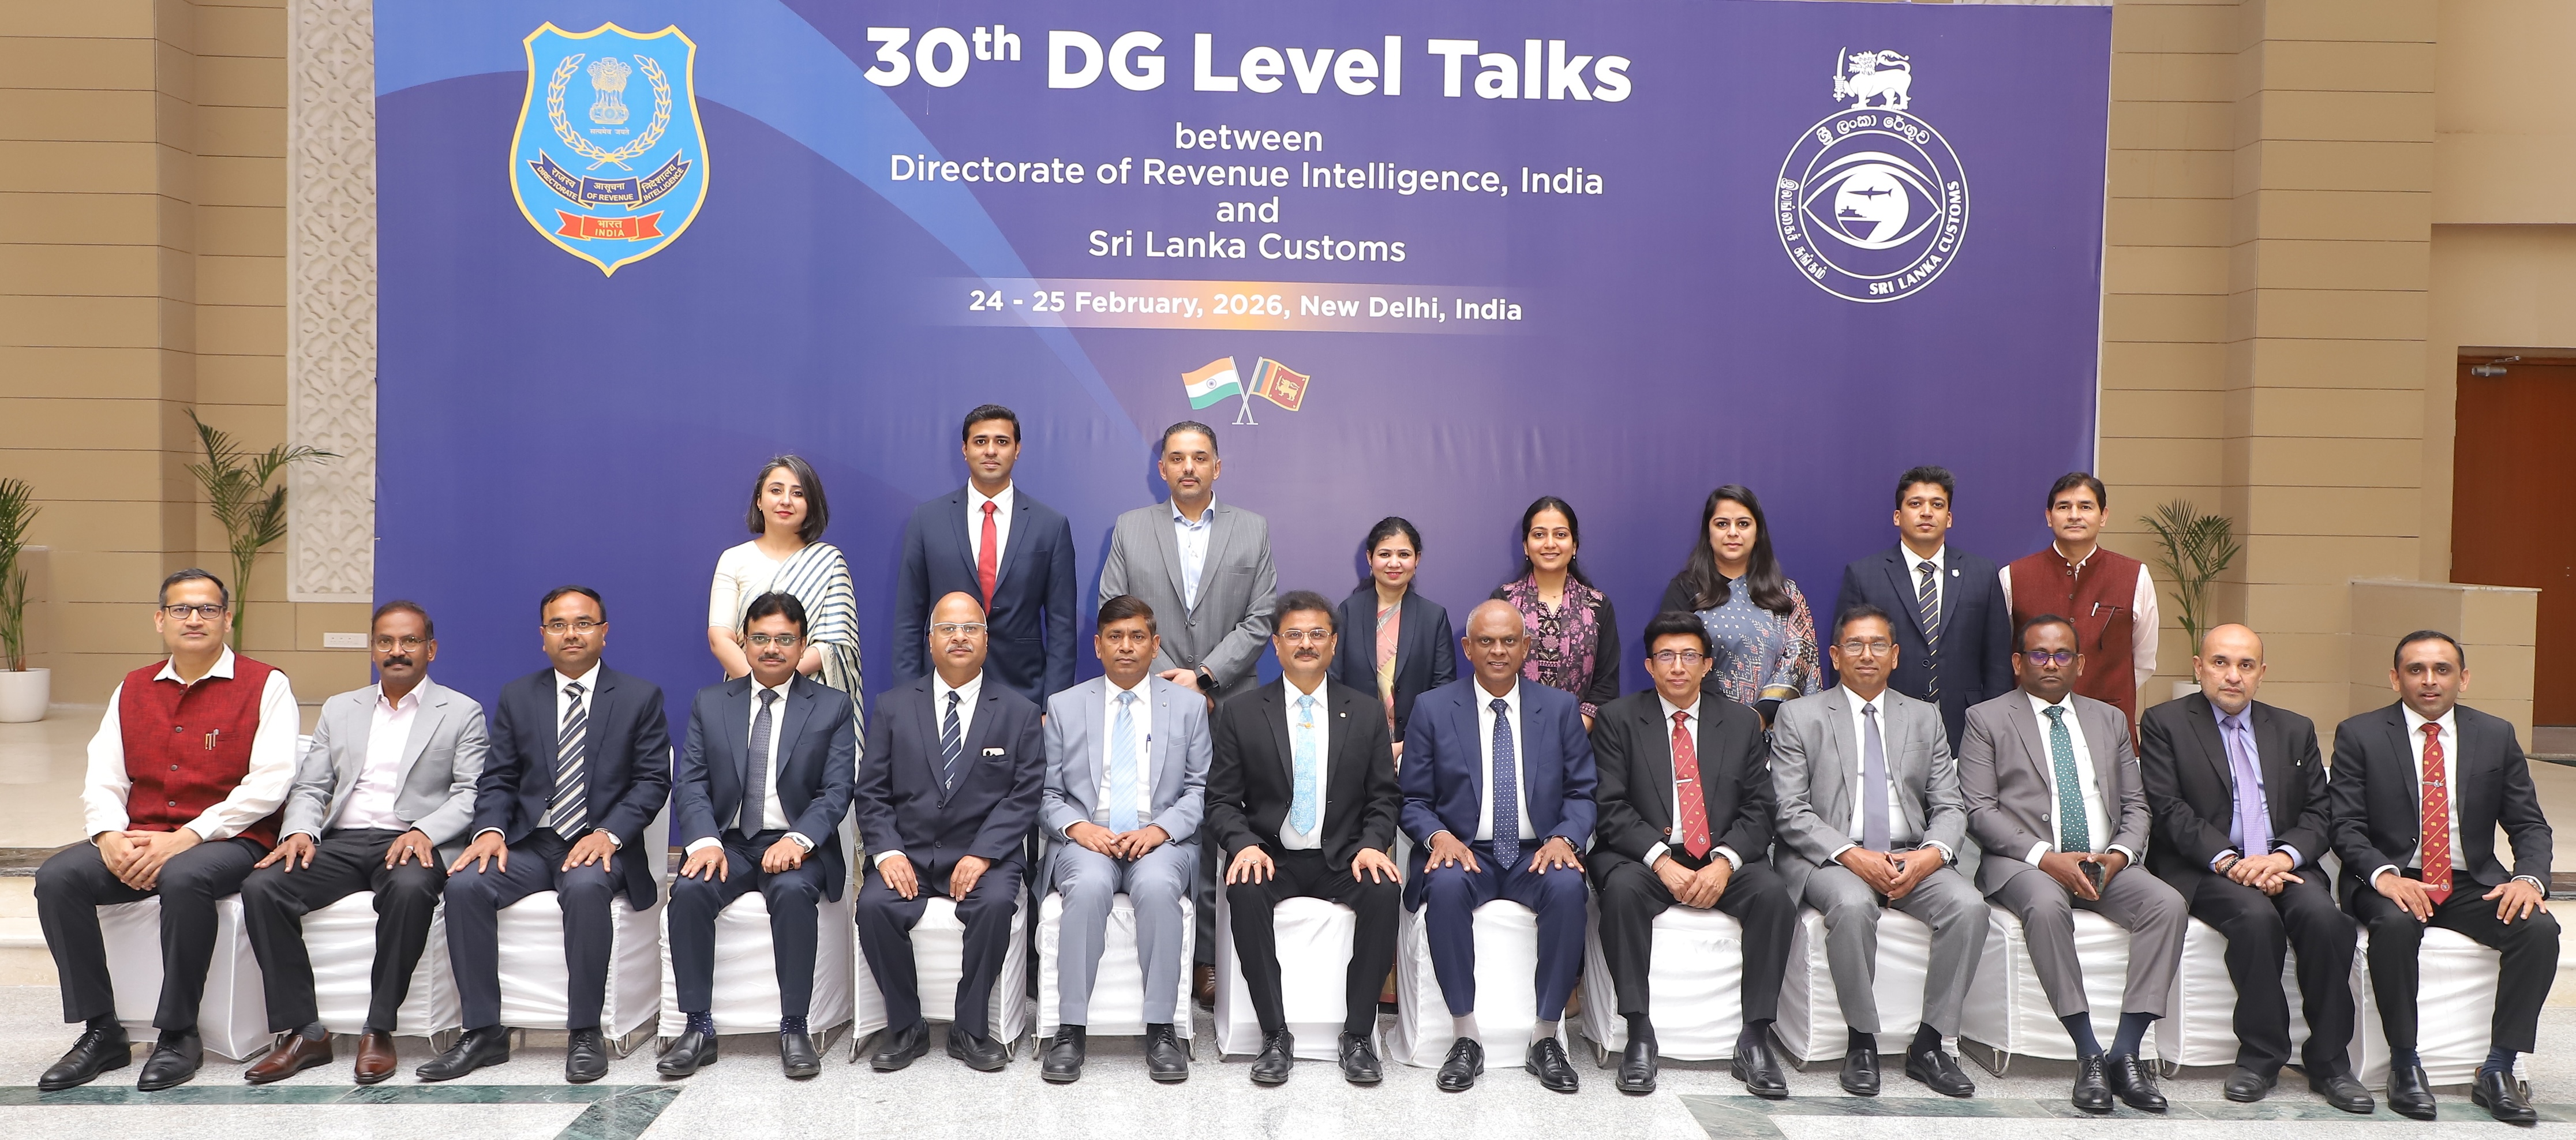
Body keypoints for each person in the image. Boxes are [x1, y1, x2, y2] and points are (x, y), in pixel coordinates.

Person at [36, 569, 298, 1093]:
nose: (194, 619)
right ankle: (102, 1031)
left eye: (207, 609)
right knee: (58, 878)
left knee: (184, 878)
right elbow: (104, 774)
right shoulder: (132, 687)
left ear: (228, 619)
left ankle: (179, 1033)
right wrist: (108, 835)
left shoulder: (267, 684)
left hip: (233, 840)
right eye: (181, 609)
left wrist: (190, 836)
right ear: (160, 620)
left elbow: (271, 783)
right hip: (142, 833)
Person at [420, 586, 671, 1085]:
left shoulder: (640, 697)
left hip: (601, 842)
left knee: (585, 886)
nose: (570, 634)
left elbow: (652, 781)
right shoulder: (519, 695)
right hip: (535, 842)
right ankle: (485, 1033)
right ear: (543, 637)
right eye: (558, 625)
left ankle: (584, 1033)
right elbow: (498, 778)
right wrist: (490, 830)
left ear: (603, 632)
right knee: (466, 885)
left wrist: (609, 834)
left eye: (582, 623)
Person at [239, 601, 488, 1086]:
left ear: (431, 649)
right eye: (386, 642)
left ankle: (379, 1027)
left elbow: (469, 794)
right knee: (263, 886)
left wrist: (425, 832)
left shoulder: (461, 711)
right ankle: (305, 1032)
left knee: (412, 889)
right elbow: (312, 787)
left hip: (412, 840)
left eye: (410, 641)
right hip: (342, 839)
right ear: (373, 649)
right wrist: (300, 833)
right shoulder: (341, 707)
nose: (397, 651)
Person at [1959, 614, 2185, 1113]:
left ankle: (2125, 1054)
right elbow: (1978, 810)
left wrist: (2120, 855)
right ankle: (2088, 1053)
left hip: (2106, 864)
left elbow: (2136, 805)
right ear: (2018, 662)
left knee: (2167, 904)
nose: (2051, 664)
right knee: (2044, 905)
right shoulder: (1987, 719)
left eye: (2063, 655)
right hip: (2027, 865)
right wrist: (2047, 859)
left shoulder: (2109, 720)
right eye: (2039, 654)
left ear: (2080, 664)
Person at [2137, 624, 2368, 1112]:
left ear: (2262, 673)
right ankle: (2261, 1057)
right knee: (2256, 918)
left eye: (2245, 665)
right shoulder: (2164, 722)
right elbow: (2167, 807)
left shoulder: (2294, 728)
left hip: (2282, 861)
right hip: (2205, 866)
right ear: (2199, 667)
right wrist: (2231, 862)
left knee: (2327, 920)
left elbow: (2318, 812)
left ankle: (2330, 1063)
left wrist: (2282, 857)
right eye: (2220, 662)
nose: (2232, 676)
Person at [2331, 630, 2557, 1124]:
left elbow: (2528, 823)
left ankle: (2498, 1068)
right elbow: (2344, 825)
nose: (2429, 681)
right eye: (2415, 670)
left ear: (2464, 678)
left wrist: (2529, 880)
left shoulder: (2495, 734)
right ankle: (2406, 1063)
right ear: (2396, 677)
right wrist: (2384, 876)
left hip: (2470, 878)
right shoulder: (2360, 734)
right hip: (2395, 875)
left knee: (2539, 929)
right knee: (2393, 927)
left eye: (2442, 670)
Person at [1770, 604, 1983, 1099]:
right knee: (1852, 903)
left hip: (1912, 853)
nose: (1867, 655)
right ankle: (1861, 1042)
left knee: (1970, 907)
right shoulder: (1799, 715)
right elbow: (1789, 809)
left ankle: (1930, 1045)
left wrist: (1931, 855)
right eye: (1855, 645)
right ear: (1835, 655)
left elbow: (1951, 805)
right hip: (1829, 856)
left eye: (1878, 645)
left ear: (1895, 656)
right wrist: (1850, 854)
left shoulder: (1924, 717)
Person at [1098, 420, 1276, 1003]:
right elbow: (1114, 609)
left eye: (1200, 457)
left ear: (1218, 466)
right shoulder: (1130, 527)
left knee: (1227, 824)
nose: (1189, 467)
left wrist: (1203, 675)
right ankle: (1190, 959)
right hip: (1154, 699)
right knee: (1176, 821)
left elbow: (1261, 616)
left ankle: (1221, 955)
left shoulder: (1252, 528)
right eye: (1177, 458)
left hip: (1235, 701)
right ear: (1162, 467)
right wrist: (1172, 679)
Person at [1591, 611, 1798, 1098]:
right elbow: (1609, 806)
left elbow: (1760, 808)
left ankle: (1756, 1038)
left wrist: (1724, 862)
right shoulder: (1618, 719)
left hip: (1719, 853)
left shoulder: (1741, 723)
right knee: (1619, 890)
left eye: (1689, 656)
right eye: (1666, 656)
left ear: (1708, 665)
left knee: (1773, 895)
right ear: (1649, 665)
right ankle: (1639, 1033)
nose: (1677, 666)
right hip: (1645, 856)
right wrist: (1662, 861)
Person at [1401, 600, 1597, 1094]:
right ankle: (1466, 1037)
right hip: (1465, 850)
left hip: (1538, 850)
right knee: (1442, 885)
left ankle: (1546, 1037)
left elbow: (1582, 792)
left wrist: (1564, 838)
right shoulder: (1432, 708)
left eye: (1509, 641)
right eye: (1486, 641)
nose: (1498, 650)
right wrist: (1438, 835)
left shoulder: (1558, 708)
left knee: (1570, 888)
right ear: (1466, 648)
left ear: (1526, 647)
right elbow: (1413, 800)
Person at [659, 592, 857, 1081]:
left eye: (785, 639)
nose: (773, 649)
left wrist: (801, 840)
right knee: (688, 891)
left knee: (791, 893)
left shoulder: (832, 706)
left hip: (796, 843)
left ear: (803, 644)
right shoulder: (711, 701)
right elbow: (692, 782)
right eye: (762, 638)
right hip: (728, 841)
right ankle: (698, 1028)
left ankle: (794, 1028)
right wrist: (703, 840)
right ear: (744, 643)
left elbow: (837, 790)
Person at [1209, 590, 1402, 1087]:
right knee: (1244, 891)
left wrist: (1371, 844)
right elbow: (1222, 802)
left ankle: (1358, 1035)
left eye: (1317, 634)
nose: (1306, 643)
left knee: (1385, 892)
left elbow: (1384, 797)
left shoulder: (1363, 712)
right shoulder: (1243, 712)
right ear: (1276, 644)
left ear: (1334, 644)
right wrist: (1243, 844)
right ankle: (1275, 1036)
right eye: (1294, 634)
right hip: (1272, 856)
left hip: (1343, 857)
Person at [852, 592, 1045, 1073]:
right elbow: (871, 792)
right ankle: (906, 1025)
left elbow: (1024, 796)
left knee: (998, 904)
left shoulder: (1019, 712)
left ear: (986, 638)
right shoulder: (893, 707)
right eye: (947, 629)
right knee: (874, 906)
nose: (959, 637)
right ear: (930, 639)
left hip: (985, 858)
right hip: (909, 854)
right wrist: (886, 852)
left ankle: (971, 1028)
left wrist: (983, 854)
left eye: (970, 628)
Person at [1038, 595, 1208, 1084]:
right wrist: (1080, 828)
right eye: (1115, 637)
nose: (1126, 647)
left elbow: (1199, 791)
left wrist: (1159, 830)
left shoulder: (1189, 707)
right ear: (1098, 646)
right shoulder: (1066, 706)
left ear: (1156, 646)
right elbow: (1047, 793)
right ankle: (1070, 1029)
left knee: (1157, 890)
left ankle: (1162, 1029)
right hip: (1088, 835)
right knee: (1089, 888)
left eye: (1138, 637)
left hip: (1160, 837)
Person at [893, 404, 1079, 706]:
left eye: (1002, 442)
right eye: (980, 441)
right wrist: (908, 701)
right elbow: (908, 620)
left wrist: (1052, 707)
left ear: (1017, 449)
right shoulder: (927, 520)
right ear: (964, 449)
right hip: (941, 691)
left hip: (1024, 693)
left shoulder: (1051, 525)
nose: (991, 450)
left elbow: (1062, 627)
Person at [1834, 467, 2014, 750]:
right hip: (1886, 723)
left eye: (1937, 505)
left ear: (1949, 518)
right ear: (1898, 516)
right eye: (1915, 504)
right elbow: (1847, 657)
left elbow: (1998, 660)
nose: (1927, 512)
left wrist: (1995, 725)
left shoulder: (1981, 572)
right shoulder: (1864, 574)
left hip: (1966, 726)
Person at [708, 454, 864, 730]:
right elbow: (720, 638)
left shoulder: (829, 561)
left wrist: (782, 685)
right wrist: (757, 689)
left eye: (798, 493)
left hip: (810, 702)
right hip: (744, 698)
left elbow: (834, 646)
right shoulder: (733, 559)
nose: (786, 501)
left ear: (811, 504)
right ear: (759, 500)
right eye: (776, 490)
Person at [2001, 472, 2156, 732]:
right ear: (2049, 517)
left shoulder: (2135, 576)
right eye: (2064, 507)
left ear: (2103, 516)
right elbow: (2004, 656)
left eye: (2085, 507)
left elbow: (2143, 660)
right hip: (2029, 725)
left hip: (2108, 721)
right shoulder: (2013, 576)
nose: (2075, 515)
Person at [1660, 485, 1819, 726]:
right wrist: (1728, 719)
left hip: (1773, 731)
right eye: (1722, 524)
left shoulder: (1786, 593)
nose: (1733, 533)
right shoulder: (1685, 589)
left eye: (1743, 524)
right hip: (1704, 727)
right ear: (1708, 532)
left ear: (1758, 533)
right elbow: (1675, 656)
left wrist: (1761, 716)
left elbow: (1799, 659)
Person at [1331, 517, 1456, 761]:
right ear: (1370, 558)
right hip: (1354, 747)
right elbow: (1335, 682)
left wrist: (1408, 745)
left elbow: (1443, 689)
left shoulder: (1434, 617)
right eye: (1385, 554)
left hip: (1418, 748)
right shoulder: (1348, 612)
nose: (1394, 563)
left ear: (1417, 559)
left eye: (1404, 554)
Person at [1492, 497, 1618, 727]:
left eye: (1560, 535)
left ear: (1575, 546)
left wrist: (1574, 730)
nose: (1550, 544)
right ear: (1525, 546)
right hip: (1513, 732)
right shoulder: (1505, 601)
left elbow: (1606, 683)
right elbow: (1492, 671)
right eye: (1539, 535)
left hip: (1580, 737)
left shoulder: (1597, 605)